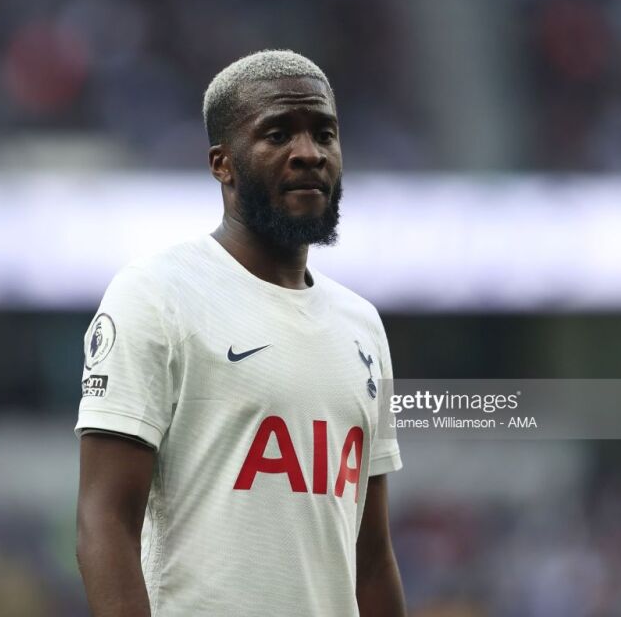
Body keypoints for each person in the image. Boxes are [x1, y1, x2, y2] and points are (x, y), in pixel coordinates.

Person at [75, 49, 405, 617]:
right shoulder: (157, 294)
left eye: (324, 134)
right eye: (278, 135)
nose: (309, 153)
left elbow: (371, 557)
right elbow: (103, 520)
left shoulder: (362, 326)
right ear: (221, 164)